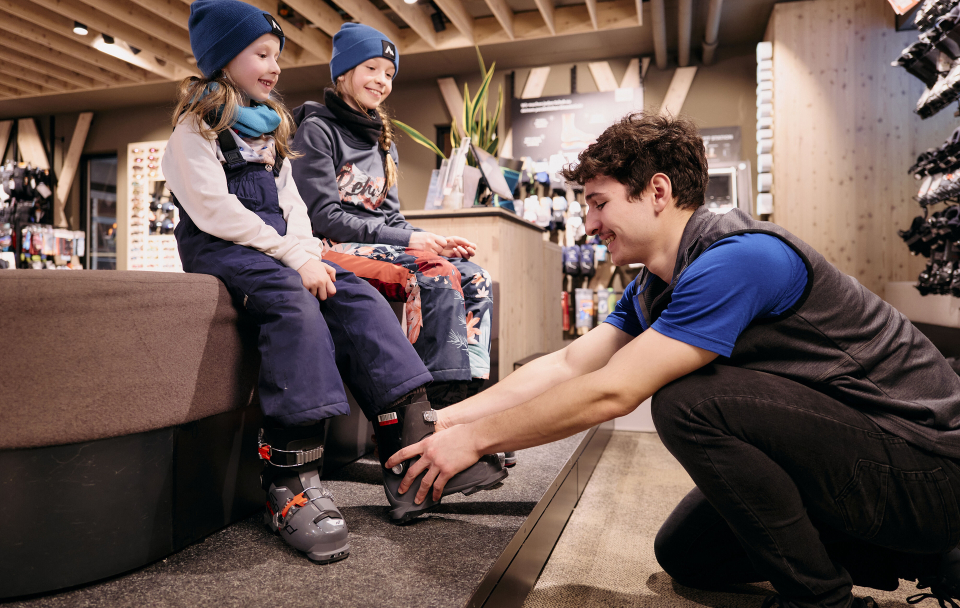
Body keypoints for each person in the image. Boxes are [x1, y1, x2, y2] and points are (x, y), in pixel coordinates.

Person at [385, 112, 960, 608]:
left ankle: (823, 599)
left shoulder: (739, 259)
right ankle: (916, 555)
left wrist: (477, 441)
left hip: (930, 466)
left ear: (657, 192)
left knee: (690, 403)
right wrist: (447, 421)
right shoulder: (654, 284)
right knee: (686, 554)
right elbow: (566, 366)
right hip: (861, 452)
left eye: (598, 203)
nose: (588, 224)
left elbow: (614, 391)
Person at [162, 0, 506, 563]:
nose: (274, 67)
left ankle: (409, 445)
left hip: (278, 247)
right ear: (224, 59)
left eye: (277, 55)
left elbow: (293, 204)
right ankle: (289, 483)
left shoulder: (272, 129)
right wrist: (295, 260)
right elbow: (215, 212)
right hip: (225, 249)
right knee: (295, 306)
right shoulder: (194, 130)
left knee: (358, 296)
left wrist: (305, 252)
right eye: (261, 54)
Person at [289, 22, 496, 410]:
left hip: (373, 248)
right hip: (326, 248)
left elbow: (392, 220)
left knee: (476, 277)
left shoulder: (382, 142)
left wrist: (431, 239)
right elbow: (322, 216)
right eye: (371, 68)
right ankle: (431, 410)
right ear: (343, 73)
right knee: (433, 273)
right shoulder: (316, 130)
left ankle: (471, 404)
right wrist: (411, 242)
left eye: (389, 73)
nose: (382, 80)